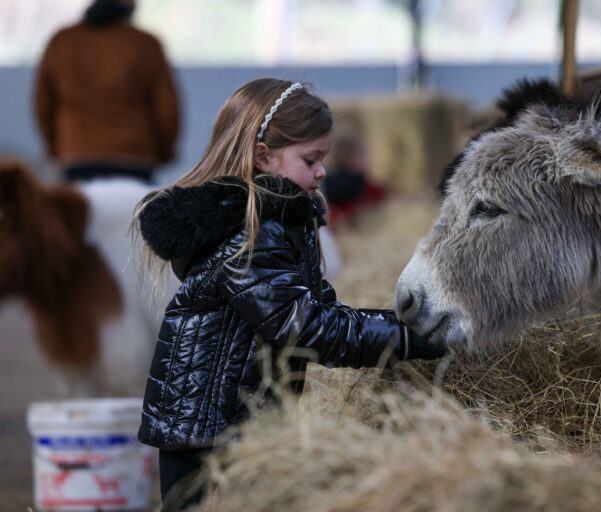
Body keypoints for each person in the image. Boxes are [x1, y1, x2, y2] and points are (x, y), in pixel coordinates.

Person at [133, 79, 447, 511]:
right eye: (311, 160)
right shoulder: (250, 232)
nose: (322, 172)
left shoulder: (281, 222)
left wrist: (398, 328)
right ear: (265, 156)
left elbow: (320, 312)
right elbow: (305, 327)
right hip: (206, 432)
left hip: (236, 419)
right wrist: (409, 339)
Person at [34, 0, 179, 183]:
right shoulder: (145, 44)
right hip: (135, 155)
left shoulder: (62, 41)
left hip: (75, 152)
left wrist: (56, 148)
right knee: (133, 212)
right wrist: (164, 152)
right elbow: (167, 109)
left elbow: (43, 105)